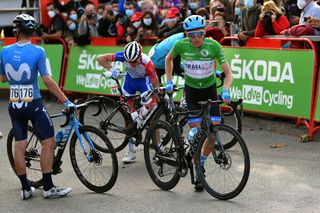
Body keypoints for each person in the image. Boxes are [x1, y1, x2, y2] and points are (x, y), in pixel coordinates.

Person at [0, 14, 73, 200]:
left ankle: (25, 188)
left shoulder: (4, 51)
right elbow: (47, 81)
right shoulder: (38, 51)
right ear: (32, 32)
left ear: (16, 32)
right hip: (33, 103)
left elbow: (3, 78)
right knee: (48, 143)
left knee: (20, 145)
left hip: (14, 104)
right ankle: (48, 187)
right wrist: (66, 101)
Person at [165, 15, 233, 191]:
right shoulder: (181, 45)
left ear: (204, 32)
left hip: (210, 90)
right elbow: (168, 59)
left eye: (199, 34)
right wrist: (169, 81)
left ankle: (201, 161)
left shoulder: (214, 46)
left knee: (213, 128)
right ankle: (193, 158)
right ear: (186, 34)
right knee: (197, 131)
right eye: (191, 35)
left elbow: (229, 74)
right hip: (192, 92)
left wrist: (226, 90)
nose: (196, 38)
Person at [96, 41, 159, 163]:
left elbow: (155, 84)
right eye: (129, 62)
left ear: (140, 57)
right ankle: (131, 151)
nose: (132, 64)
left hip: (143, 83)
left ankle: (158, 147)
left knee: (153, 116)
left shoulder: (148, 63)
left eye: (134, 62)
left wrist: (155, 97)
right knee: (128, 118)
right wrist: (112, 69)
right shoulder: (123, 55)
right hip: (129, 83)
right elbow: (100, 58)